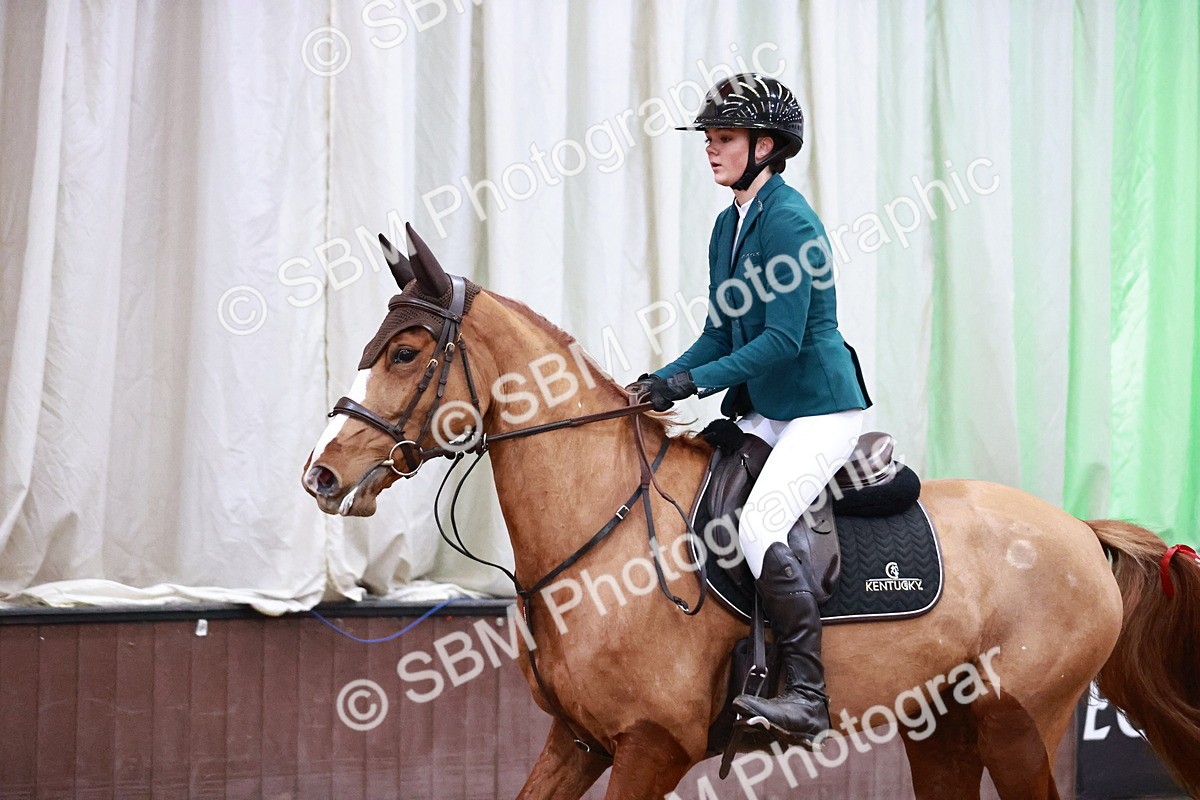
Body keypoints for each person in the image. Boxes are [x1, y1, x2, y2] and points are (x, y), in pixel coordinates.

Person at [628, 73, 872, 748]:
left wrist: (693, 385)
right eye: (709, 138)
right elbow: (722, 330)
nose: (711, 149)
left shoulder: (791, 221)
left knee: (761, 525)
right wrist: (664, 378)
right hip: (770, 404)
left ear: (767, 145)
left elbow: (779, 341)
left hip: (819, 408)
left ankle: (808, 697)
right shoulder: (728, 224)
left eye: (725, 138)